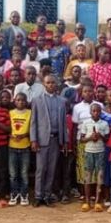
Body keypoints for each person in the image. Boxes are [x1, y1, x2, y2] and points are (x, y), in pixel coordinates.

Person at [30, 75, 68, 207]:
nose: (51, 85)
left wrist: (64, 140)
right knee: (41, 169)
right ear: (44, 84)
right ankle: (38, 195)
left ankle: (47, 195)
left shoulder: (62, 101)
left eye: (53, 82)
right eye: (48, 83)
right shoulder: (37, 100)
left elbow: (63, 122)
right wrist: (33, 139)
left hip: (56, 139)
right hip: (42, 140)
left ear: (56, 84)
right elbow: (33, 122)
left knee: (52, 169)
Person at [78, 103, 110, 212]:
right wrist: (90, 137)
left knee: (100, 177)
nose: (96, 113)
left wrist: (100, 136)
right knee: (88, 177)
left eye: (98, 111)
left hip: (100, 152)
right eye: (94, 111)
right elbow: (81, 140)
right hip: (88, 152)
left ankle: (97, 202)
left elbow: (107, 140)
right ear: (90, 112)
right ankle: (87, 201)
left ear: (101, 112)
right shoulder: (85, 123)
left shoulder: (104, 124)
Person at [8, 92, 32, 206]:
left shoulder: (29, 113)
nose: (20, 102)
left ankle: (24, 194)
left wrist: (25, 135)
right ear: (14, 101)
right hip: (12, 147)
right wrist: (10, 135)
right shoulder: (11, 113)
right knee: (13, 173)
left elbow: (32, 128)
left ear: (26, 102)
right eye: (18, 100)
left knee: (24, 173)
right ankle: (14, 193)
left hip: (25, 147)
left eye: (23, 100)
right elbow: (8, 128)